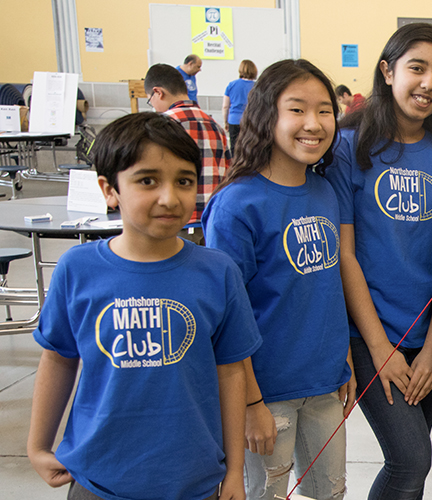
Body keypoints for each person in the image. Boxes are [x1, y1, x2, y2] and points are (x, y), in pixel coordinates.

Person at [27, 112, 261, 500]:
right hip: (97, 479)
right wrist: (37, 446)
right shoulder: (77, 268)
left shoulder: (217, 271)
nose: (169, 198)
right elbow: (58, 359)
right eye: (147, 180)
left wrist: (235, 470)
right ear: (109, 189)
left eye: (184, 181)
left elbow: (230, 372)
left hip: (193, 480)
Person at [325, 23, 432, 500]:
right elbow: (345, 254)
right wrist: (380, 348)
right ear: (387, 71)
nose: (429, 83)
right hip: (371, 335)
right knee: (411, 459)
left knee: (415, 464)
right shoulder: (349, 147)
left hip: (430, 336)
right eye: (417, 68)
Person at [203, 59, 355, 500]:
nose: (313, 123)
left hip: (325, 384)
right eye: (297, 109)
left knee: (330, 493)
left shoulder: (325, 190)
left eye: (325, 110)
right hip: (266, 394)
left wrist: (341, 358)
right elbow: (228, 319)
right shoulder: (237, 206)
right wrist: (249, 405)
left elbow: (326, 290)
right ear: (266, 115)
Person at [146, 63, 231, 224]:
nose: (154, 107)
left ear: (158, 92)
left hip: (177, 217)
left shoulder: (161, 125)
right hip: (213, 217)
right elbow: (230, 171)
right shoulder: (216, 126)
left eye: (150, 101)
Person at [222, 59, 258, 154]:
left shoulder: (232, 85)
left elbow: (225, 106)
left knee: (234, 148)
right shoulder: (257, 86)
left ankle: (235, 167)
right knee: (249, 147)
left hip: (234, 120)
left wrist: (225, 121)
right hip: (251, 121)